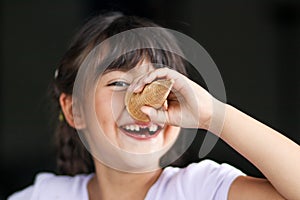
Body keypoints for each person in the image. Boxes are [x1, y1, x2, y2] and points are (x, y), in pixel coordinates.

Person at [8, 12, 300, 200]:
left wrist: (212, 114)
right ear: (75, 111)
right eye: (118, 84)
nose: (144, 105)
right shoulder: (44, 195)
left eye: (157, 85)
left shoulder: (202, 189)